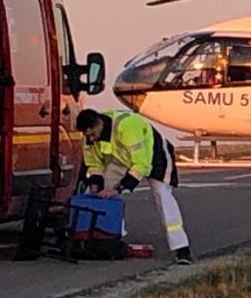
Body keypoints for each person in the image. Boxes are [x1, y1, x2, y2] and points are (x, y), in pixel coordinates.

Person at [75, 108, 192, 265]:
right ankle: (110, 239)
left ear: (99, 124)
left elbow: (141, 164)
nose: (91, 139)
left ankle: (181, 248)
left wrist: (119, 188)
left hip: (152, 155)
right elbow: (94, 164)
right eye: (87, 136)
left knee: (162, 194)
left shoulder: (128, 126)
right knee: (102, 196)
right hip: (121, 158)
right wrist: (96, 185)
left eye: (92, 134)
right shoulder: (89, 137)